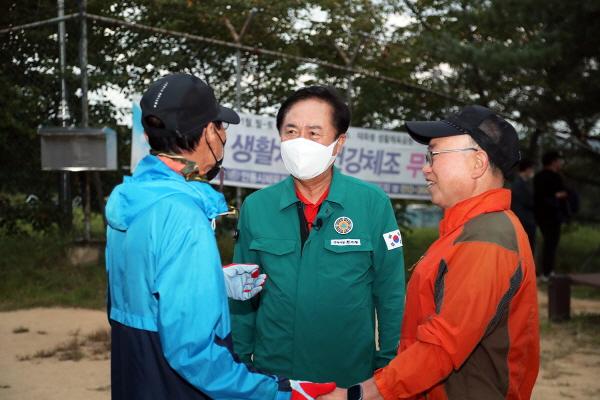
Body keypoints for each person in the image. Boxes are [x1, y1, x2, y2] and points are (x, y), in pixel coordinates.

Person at [105, 73, 336, 399]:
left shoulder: (129, 198)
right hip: (176, 387)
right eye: (220, 125)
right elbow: (194, 353)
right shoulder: (182, 213)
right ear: (206, 133)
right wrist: (280, 392)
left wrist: (211, 282)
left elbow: (138, 290)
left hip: (136, 373)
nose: (225, 135)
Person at [322, 105, 540, 400]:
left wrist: (360, 394)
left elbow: (442, 346)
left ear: (478, 163)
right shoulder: (466, 230)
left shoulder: (486, 239)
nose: (426, 167)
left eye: (433, 155)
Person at [229, 86, 406, 388]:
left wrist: (388, 368)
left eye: (314, 133)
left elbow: (390, 293)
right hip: (275, 377)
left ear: (339, 143)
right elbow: (242, 293)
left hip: (347, 377)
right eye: (291, 131)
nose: (301, 143)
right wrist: (240, 364)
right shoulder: (257, 207)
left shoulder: (372, 203)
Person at [534, 150, 572, 281]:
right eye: (558, 161)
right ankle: (547, 272)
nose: (560, 163)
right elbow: (548, 195)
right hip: (552, 215)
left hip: (541, 215)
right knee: (551, 243)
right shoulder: (554, 177)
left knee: (549, 243)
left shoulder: (538, 176)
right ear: (553, 162)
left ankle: (547, 271)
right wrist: (559, 195)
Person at [511, 158, 536, 252]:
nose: (533, 171)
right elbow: (527, 202)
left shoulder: (524, 184)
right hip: (523, 222)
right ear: (527, 169)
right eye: (532, 169)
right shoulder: (518, 185)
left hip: (526, 221)